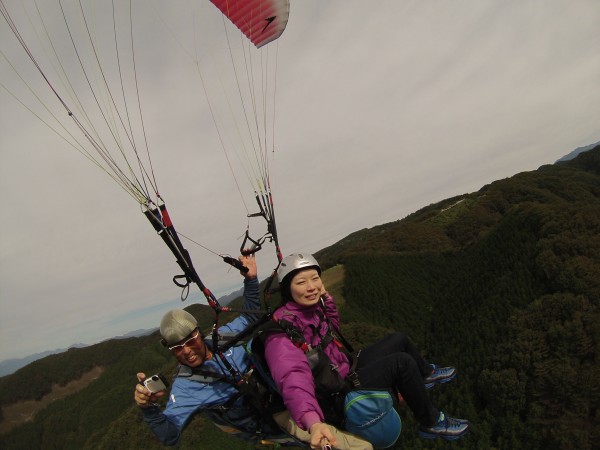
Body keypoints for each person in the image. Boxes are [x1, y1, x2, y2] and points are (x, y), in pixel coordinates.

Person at [134, 253, 372, 450]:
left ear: (199, 332)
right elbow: (170, 436)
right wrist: (148, 409)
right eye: (177, 348)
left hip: (288, 392)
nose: (186, 351)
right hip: (275, 420)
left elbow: (249, 317)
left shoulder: (223, 338)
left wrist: (251, 279)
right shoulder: (187, 386)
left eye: (190, 340)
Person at [263, 253, 470, 447]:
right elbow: (292, 378)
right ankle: (431, 422)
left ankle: (426, 375)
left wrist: (327, 301)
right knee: (402, 363)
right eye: (301, 282)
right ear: (287, 289)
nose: (311, 287)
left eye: (315, 278)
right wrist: (313, 422)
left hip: (343, 366)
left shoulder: (310, 308)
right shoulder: (282, 332)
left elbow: (331, 329)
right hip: (337, 389)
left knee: (399, 339)